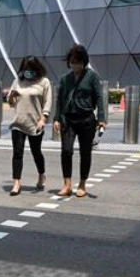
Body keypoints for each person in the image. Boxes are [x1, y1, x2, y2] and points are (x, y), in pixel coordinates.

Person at [53, 44, 106, 197]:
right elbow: (60, 101)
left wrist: (101, 119)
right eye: (73, 61)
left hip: (87, 119)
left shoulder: (92, 76)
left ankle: (82, 184)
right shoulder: (65, 79)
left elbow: (99, 97)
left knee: (85, 152)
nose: (76, 65)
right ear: (69, 62)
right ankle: (67, 184)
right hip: (69, 119)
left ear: (84, 62)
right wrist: (57, 119)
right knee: (66, 151)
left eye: (79, 61)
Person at [7, 56, 52, 196]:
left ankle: (41, 175)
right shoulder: (18, 81)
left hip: (35, 123)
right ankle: (16, 182)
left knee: (36, 151)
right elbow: (11, 102)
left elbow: (48, 102)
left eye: (30, 69)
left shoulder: (44, 82)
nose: (28, 72)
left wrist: (43, 119)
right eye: (25, 69)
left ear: (36, 69)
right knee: (17, 153)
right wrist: (11, 97)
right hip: (18, 123)